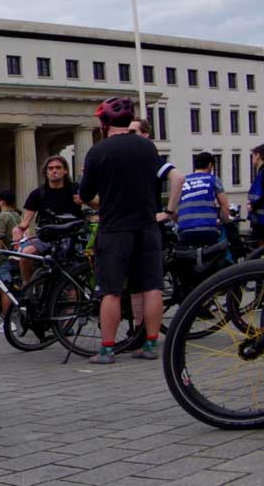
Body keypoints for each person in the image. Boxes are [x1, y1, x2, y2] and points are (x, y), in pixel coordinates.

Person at [78, 97, 164, 365]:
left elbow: (85, 194)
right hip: (147, 226)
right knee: (151, 287)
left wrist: (100, 203)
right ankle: (150, 344)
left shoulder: (98, 152)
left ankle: (107, 349)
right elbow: (156, 185)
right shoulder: (149, 148)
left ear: (104, 123)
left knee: (111, 290)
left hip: (114, 229)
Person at [15, 157, 82, 288]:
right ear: (45, 172)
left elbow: (97, 204)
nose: (54, 171)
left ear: (65, 171)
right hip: (46, 237)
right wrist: (18, 229)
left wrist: (84, 200)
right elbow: (25, 222)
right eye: (50, 168)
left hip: (72, 237)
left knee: (71, 279)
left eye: (58, 168)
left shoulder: (75, 189)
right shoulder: (38, 193)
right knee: (25, 254)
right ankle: (28, 287)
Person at [171, 152, 231, 246]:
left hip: (185, 231)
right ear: (210, 165)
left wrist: (181, 222)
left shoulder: (182, 182)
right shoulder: (213, 179)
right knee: (212, 257)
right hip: (208, 230)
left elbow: (171, 210)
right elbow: (225, 206)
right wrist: (226, 223)